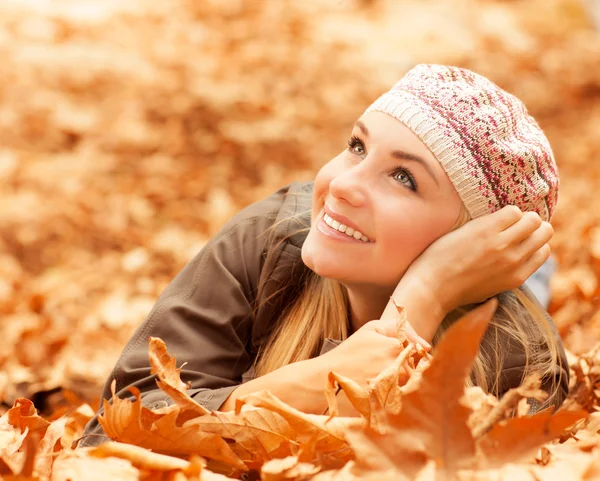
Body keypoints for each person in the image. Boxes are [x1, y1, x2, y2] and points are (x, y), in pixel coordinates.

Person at [81, 64, 569, 447]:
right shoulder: (268, 237)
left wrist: (425, 295)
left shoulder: (520, 361)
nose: (342, 184)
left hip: (487, 307)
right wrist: (316, 381)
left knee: (533, 288)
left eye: (404, 178)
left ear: (469, 241)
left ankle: (534, 267)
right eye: (357, 146)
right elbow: (111, 434)